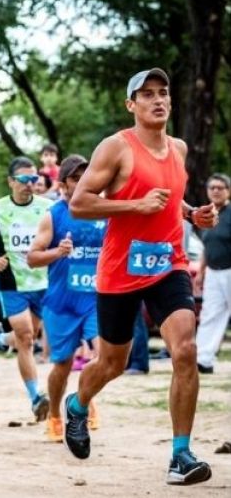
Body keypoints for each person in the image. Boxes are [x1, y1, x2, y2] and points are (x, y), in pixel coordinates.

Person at [66, 68, 217, 484]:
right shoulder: (116, 147)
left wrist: (192, 213)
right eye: (147, 94)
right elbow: (80, 203)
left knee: (184, 350)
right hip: (120, 270)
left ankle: (180, 455)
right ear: (131, 105)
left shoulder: (179, 149)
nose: (158, 99)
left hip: (169, 263)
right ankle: (78, 405)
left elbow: (168, 196)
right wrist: (136, 206)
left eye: (163, 92)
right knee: (111, 363)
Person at [26, 155, 106, 442]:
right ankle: (55, 416)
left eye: (87, 175)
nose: (83, 181)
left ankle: (81, 401)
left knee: (103, 356)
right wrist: (57, 252)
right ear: (63, 184)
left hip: (95, 299)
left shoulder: (104, 211)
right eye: (75, 178)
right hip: (61, 303)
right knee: (62, 365)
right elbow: (32, 258)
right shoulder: (54, 215)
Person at [0, 156, 54, 421]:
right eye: (24, 179)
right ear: (11, 181)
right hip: (12, 282)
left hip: (42, 282)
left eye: (34, 179)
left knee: (27, 335)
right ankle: (35, 397)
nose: (30, 184)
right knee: (26, 337)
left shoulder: (48, 207)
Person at [195, 173, 230, 374]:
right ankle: (203, 360)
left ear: (228, 191)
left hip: (229, 270)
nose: (216, 191)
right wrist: (201, 271)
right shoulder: (206, 215)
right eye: (212, 188)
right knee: (210, 315)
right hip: (213, 273)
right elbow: (206, 247)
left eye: (220, 188)